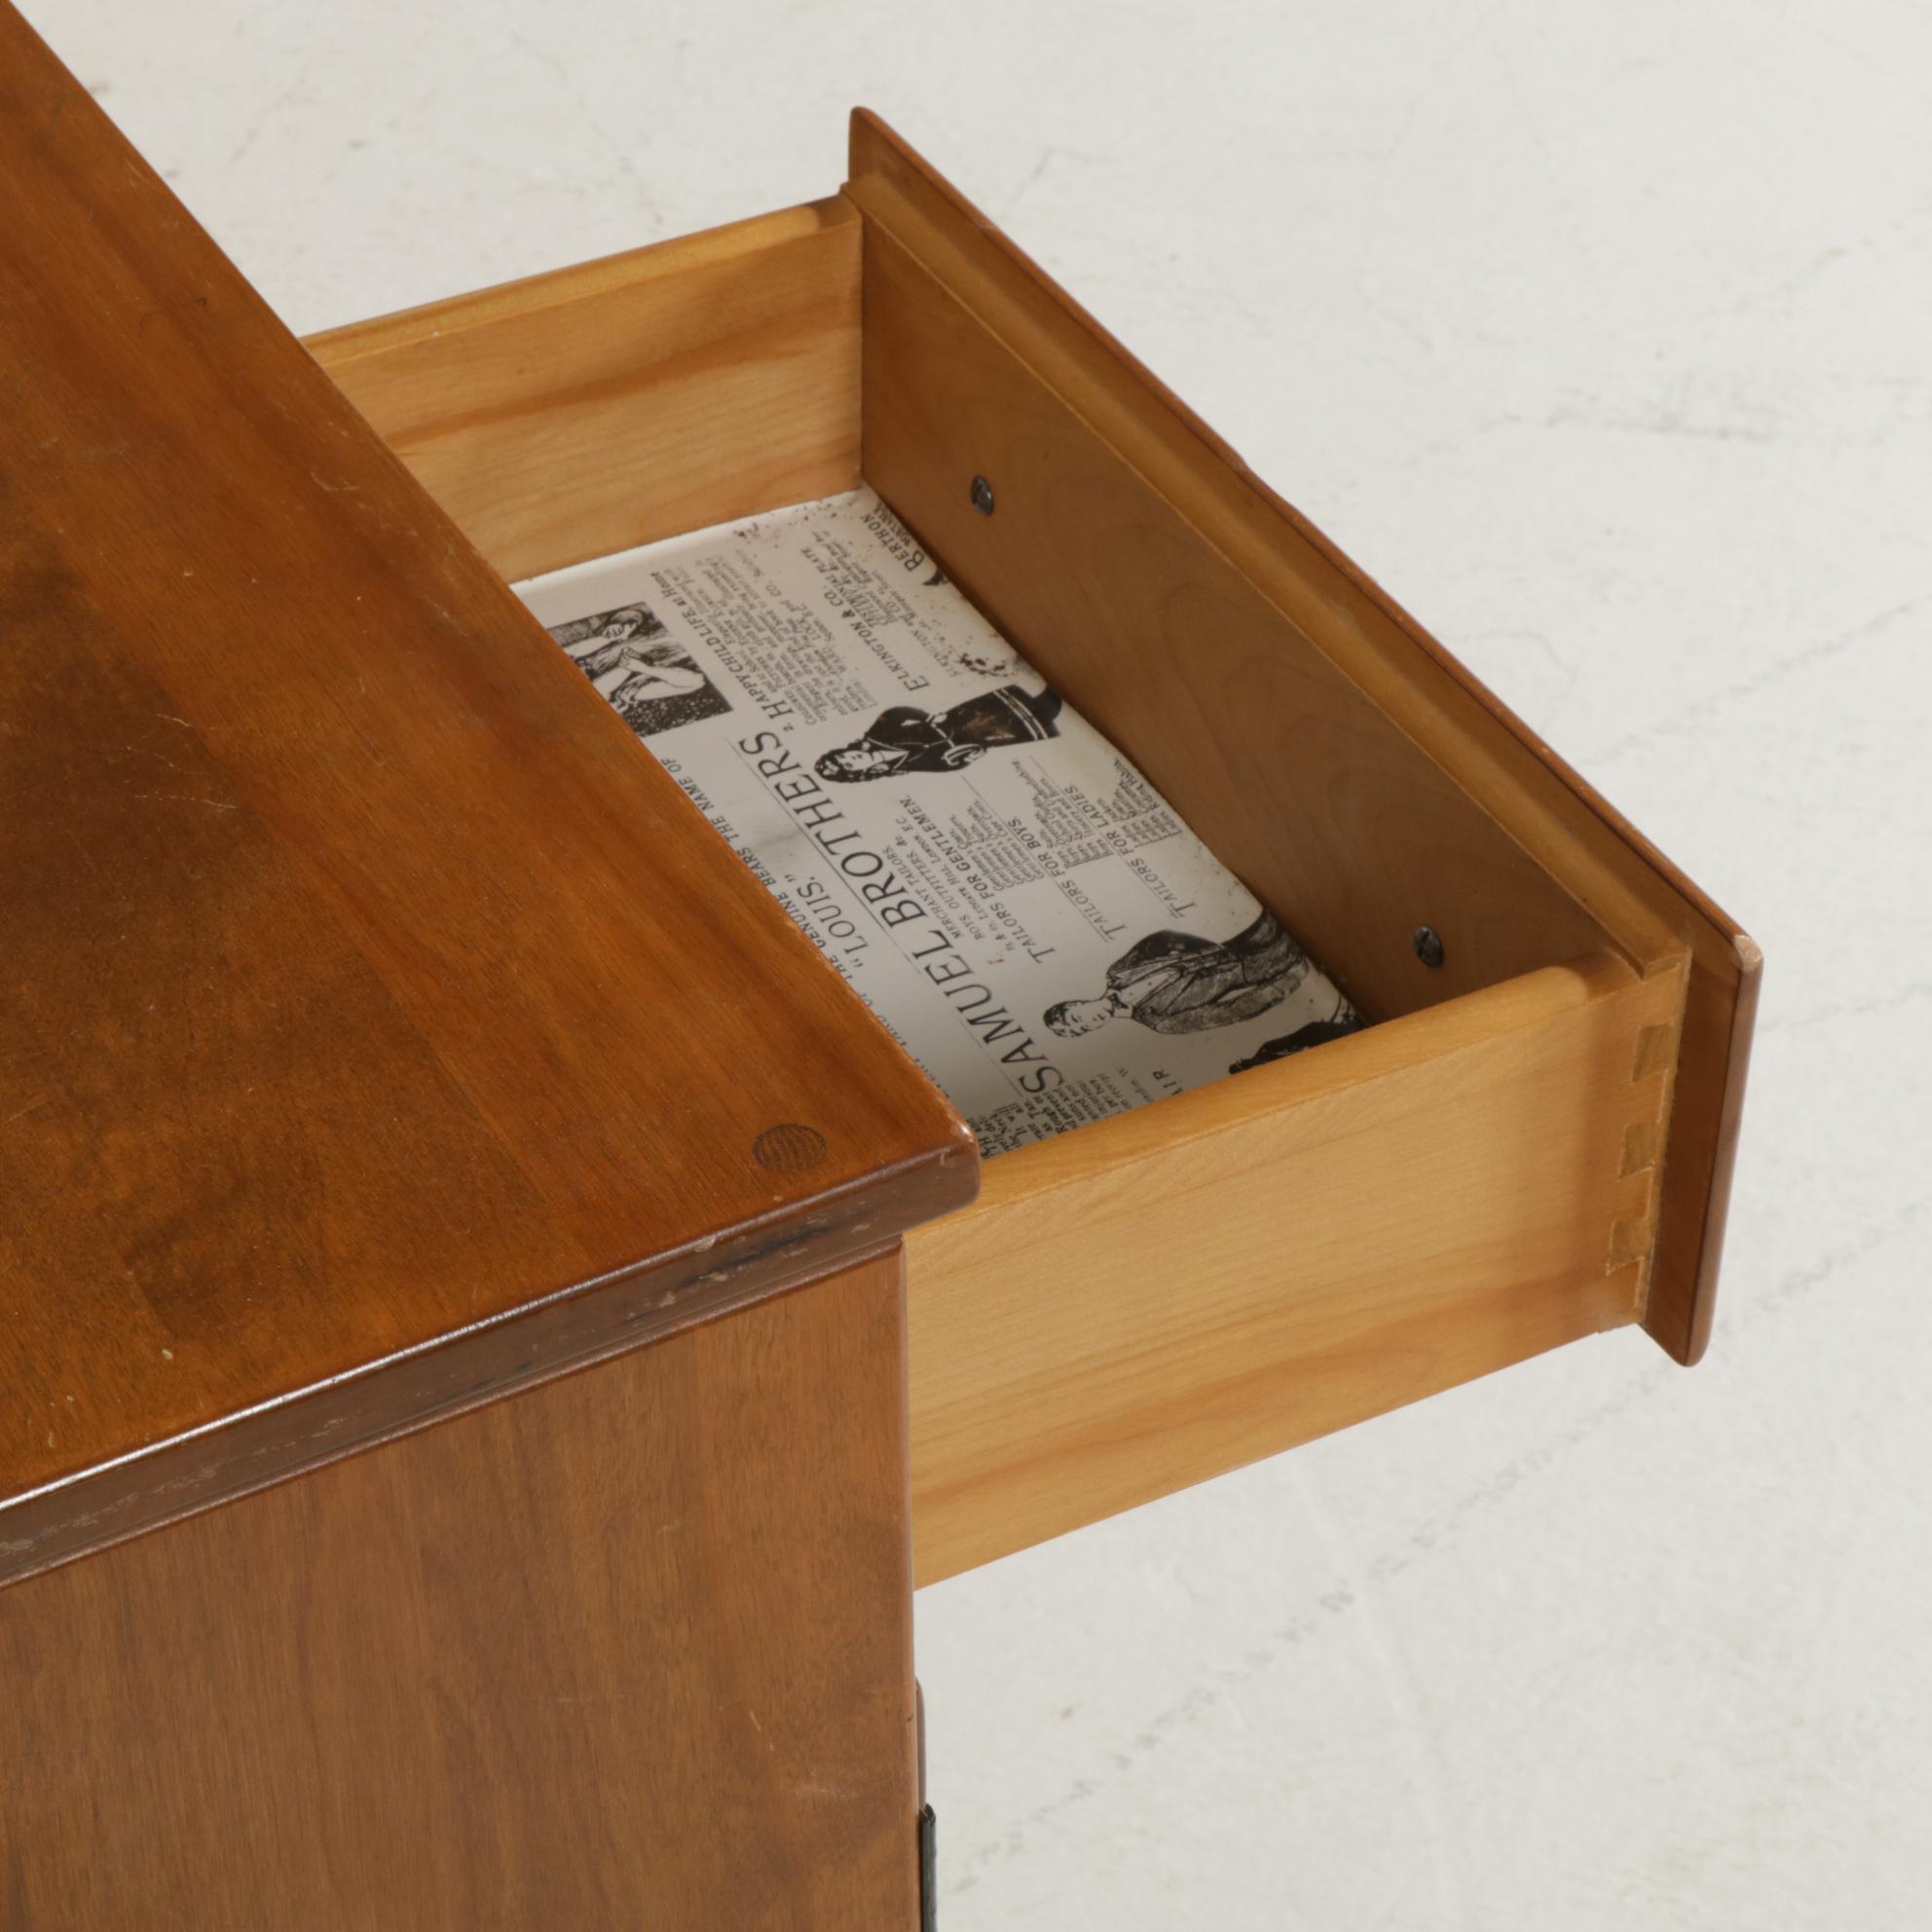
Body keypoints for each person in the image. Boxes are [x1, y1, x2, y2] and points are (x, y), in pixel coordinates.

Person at [1044, 909, 1309, 1038]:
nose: (1090, 1022)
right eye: (1084, 1028)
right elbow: (1236, 1010)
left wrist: (1205, 949)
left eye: (1079, 1017)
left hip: (1239, 941)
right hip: (1261, 967)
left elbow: (1159, 940)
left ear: (1078, 1004)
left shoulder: (1118, 971)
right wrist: (1293, 978)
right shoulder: (1161, 1023)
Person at [816, 686, 1062, 781]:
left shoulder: (877, 736)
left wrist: (928, 718)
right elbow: (941, 766)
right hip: (976, 739)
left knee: (1030, 703)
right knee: (1040, 720)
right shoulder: (898, 767)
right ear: (857, 772)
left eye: (842, 756)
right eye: (847, 766)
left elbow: (895, 713)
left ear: (845, 749)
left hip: (961, 721)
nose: (850, 759)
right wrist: (965, 760)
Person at [1228, 1009, 1364, 1073]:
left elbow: (1293, 1040)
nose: (1244, 1061)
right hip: (1317, 1053)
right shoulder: (1265, 1061)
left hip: (1315, 1040)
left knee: (1316, 1032)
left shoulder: (1265, 1050)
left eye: (1241, 1063)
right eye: (1242, 1064)